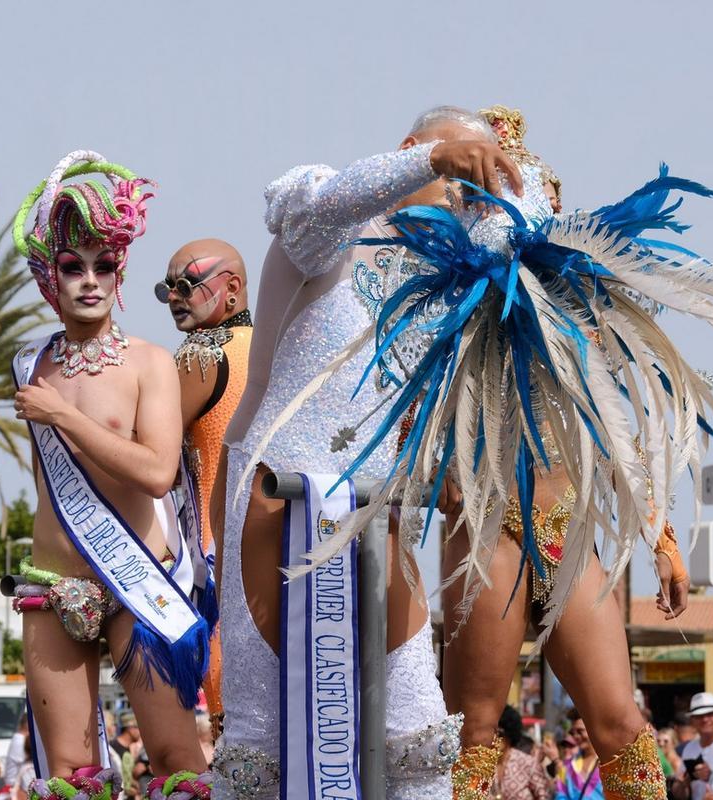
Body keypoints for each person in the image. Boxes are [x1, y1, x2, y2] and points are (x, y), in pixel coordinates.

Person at [210, 105, 525, 799]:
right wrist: (436, 160)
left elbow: (520, 253)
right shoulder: (338, 213)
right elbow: (314, 211)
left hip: (379, 508)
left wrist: (507, 188)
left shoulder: (452, 270)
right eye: (455, 168)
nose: (462, 191)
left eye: (474, 180)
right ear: (410, 148)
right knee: (263, 740)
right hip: (277, 493)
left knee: (414, 729)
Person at [436, 102, 689, 800]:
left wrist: (661, 535)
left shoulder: (585, 320)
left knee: (624, 727)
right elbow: (410, 399)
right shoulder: (451, 310)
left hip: (570, 531)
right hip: (490, 530)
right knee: (476, 734)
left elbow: (617, 431)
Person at [10, 150, 213, 798]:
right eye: (74, 266)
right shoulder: (29, 363)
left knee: (179, 761)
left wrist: (61, 417)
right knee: (69, 777)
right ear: (51, 275)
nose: (91, 280)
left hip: (137, 582)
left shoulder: (150, 364)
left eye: (106, 265)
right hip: (53, 586)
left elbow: (156, 472)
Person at [161, 237, 254, 725]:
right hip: (270, 553)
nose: (175, 297)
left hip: (212, 564)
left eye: (187, 284)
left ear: (232, 288)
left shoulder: (199, 355)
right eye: (167, 288)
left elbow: (152, 453)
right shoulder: (272, 348)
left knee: (230, 724)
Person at [494, 706, 554, 800]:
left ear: (509, 734)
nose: (495, 738)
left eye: (500, 734)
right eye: (491, 733)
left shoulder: (527, 763)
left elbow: (544, 796)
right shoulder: (484, 764)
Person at [555, 710, 603, 799]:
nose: (576, 736)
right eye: (573, 732)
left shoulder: (608, 763)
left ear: (593, 729)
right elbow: (560, 796)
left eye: (580, 731)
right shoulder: (567, 767)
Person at [108, 712, 142, 798]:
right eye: (139, 728)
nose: (141, 732)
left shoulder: (130, 749)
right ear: (130, 728)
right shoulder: (112, 749)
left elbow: (128, 776)